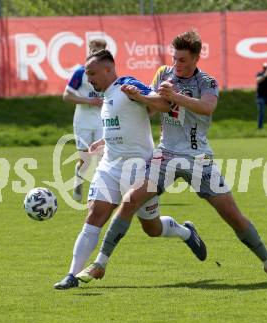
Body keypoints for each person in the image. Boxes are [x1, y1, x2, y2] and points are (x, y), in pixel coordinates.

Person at [77, 30, 267, 284]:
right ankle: (100, 264)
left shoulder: (207, 82)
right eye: (174, 58)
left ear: (196, 57)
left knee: (233, 216)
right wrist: (138, 100)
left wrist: (176, 97)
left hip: (198, 159)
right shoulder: (164, 74)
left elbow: (207, 107)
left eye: (182, 60)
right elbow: (150, 107)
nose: (176, 65)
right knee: (130, 201)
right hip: (166, 155)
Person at [54, 49, 207, 290]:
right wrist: (104, 141)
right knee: (95, 214)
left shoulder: (128, 84)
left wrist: (142, 96)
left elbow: (165, 104)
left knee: (152, 228)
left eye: (92, 73)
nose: (89, 79)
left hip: (140, 168)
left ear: (108, 69)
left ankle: (185, 232)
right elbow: (122, 124)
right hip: (110, 166)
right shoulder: (106, 95)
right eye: (87, 74)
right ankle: (71, 275)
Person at [63, 39, 106, 201]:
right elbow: (66, 95)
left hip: (101, 121)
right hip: (83, 121)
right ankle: (78, 179)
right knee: (85, 160)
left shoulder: (107, 74)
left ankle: (100, 193)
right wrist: (89, 101)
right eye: (92, 50)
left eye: (97, 51)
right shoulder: (80, 72)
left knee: (103, 157)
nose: (93, 53)